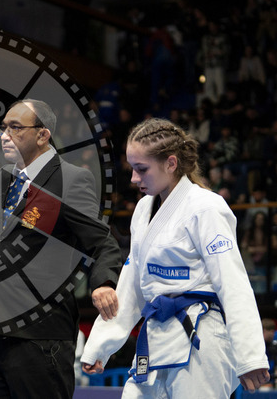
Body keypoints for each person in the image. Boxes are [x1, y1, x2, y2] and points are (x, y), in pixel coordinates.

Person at [0, 91, 122, 398]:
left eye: (16, 128)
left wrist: (104, 283)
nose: (5, 135)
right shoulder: (2, 180)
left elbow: (103, 243)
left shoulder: (70, 180)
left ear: (43, 135)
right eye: (3, 127)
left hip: (42, 337)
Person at [81, 118, 270, 397]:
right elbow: (132, 285)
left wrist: (250, 356)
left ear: (171, 163)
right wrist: (101, 344)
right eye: (132, 169)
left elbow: (233, 283)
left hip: (201, 338)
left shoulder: (206, 207)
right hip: (156, 336)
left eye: (142, 169)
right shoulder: (143, 210)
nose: (134, 179)